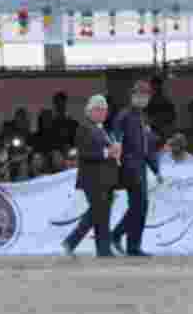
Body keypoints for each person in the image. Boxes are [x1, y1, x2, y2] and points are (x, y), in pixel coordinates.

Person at [62, 95, 120, 258]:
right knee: (98, 211)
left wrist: (114, 149)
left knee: (101, 213)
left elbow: (108, 151)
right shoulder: (84, 128)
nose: (103, 112)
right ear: (90, 111)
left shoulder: (101, 129)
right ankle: (72, 241)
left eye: (105, 109)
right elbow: (85, 153)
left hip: (105, 178)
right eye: (99, 109)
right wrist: (108, 152)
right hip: (92, 178)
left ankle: (103, 249)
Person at [110, 79, 162, 257]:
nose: (142, 99)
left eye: (145, 95)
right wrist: (118, 163)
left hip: (140, 167)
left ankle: (129, 243)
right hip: (128, 166)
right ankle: (122, 238)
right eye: (139, 95)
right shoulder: (124, 116)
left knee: (140, 206)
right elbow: (115, 140)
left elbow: (148, 147)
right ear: (132, 96)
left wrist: (155, 169)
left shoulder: (142, 118)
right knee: (139, 206)